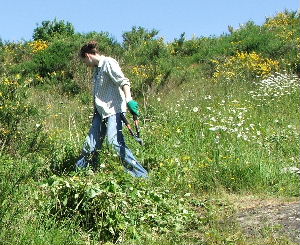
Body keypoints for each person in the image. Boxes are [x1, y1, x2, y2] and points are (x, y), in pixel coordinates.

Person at [76, 41, 148, 178]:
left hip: (114, 111)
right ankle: (82, 174)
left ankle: (141, 175)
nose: (86, 65)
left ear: (88, 56)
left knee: (115, 144)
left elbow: (124, 81)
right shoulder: (97, 69)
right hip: (100, 112)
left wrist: (129, 100)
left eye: (84, 61)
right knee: (90, 145)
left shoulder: (108, 62)